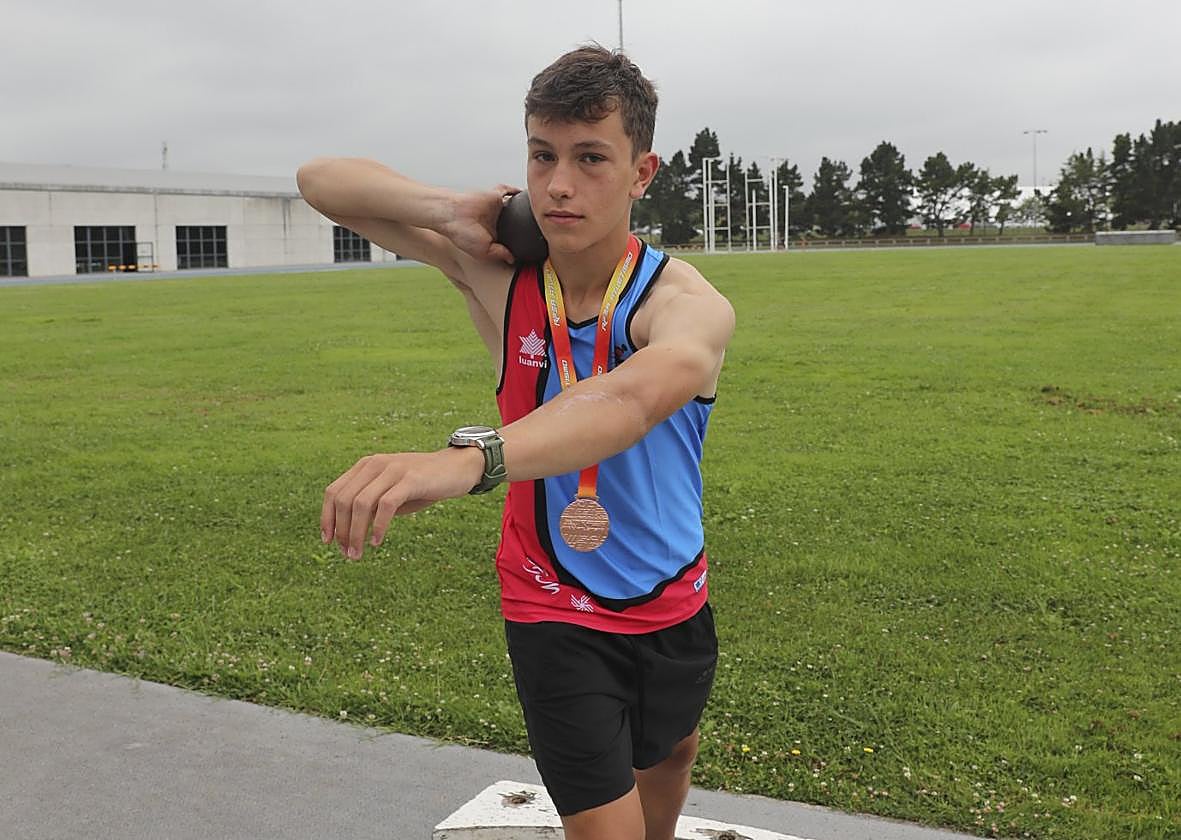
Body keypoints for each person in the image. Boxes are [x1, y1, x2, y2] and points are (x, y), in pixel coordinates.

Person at [297, 45, 735, 840]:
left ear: (644, 172)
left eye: (591, 158)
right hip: (550, 604)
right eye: (542, 156)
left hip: (672, 596)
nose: (560, 184)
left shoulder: (684, 304)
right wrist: (449, 211)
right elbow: (322, 183)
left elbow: (629, 399)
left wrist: (472, 459)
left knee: (668, 759)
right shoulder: (498, 277)